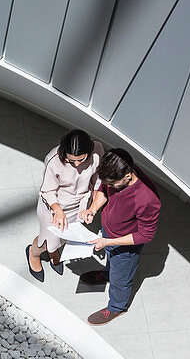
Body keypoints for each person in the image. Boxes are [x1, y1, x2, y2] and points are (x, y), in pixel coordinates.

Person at [79, 148, 161, 325]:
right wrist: (92, 210)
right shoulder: (117, 169)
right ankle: (108, 273)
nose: (109, 187)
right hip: (109, 234)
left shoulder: (147, 199)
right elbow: (103, 188)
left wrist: (109, 241)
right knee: (111, 261)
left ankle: (117, 307)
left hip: (125, 245)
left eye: (113, 184)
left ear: (128, 176)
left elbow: (146, 235)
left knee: (121, 279)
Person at [27, 129, 104, 282]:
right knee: (48, 241)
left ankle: (54, 251)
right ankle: (33, 253)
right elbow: (47, 190)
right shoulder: (53, 160)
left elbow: (97, 181)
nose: (76, 165)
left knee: (67, 237)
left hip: (80, 205)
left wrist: (92, 208)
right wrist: (58, 211)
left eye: (81, 160)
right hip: (55, 206)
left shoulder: (97, 150)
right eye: (71, 161)